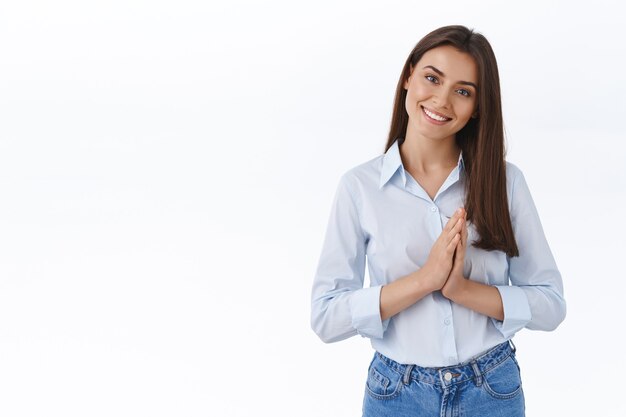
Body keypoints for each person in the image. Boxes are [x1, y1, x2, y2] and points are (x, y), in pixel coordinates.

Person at [310, 25, 566, 417]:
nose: (442, 100)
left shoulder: (505, 182)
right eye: (432, 78)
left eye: (463, 91)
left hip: (491, 389)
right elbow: (326, 317)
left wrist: (462, 290)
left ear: (478, 106)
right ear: (409, 76)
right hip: (397, 393)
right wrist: (423, 281)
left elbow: (550, 304)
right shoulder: (359, 188)